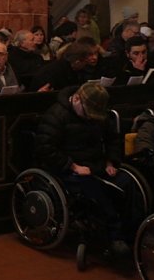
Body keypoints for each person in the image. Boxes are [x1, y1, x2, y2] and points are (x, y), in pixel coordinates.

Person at [35, 83, 139, 258]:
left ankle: (131, 235)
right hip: (69, 169)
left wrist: (110, 161)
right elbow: (45, 149)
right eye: (87, 113)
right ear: (76, 99)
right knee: (95, 189)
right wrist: (73, 166)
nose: (91, 117)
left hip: (98, 164)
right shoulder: (56, 115)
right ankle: (114, 236)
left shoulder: (96, 110)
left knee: (128, 183)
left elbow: (112, 138)